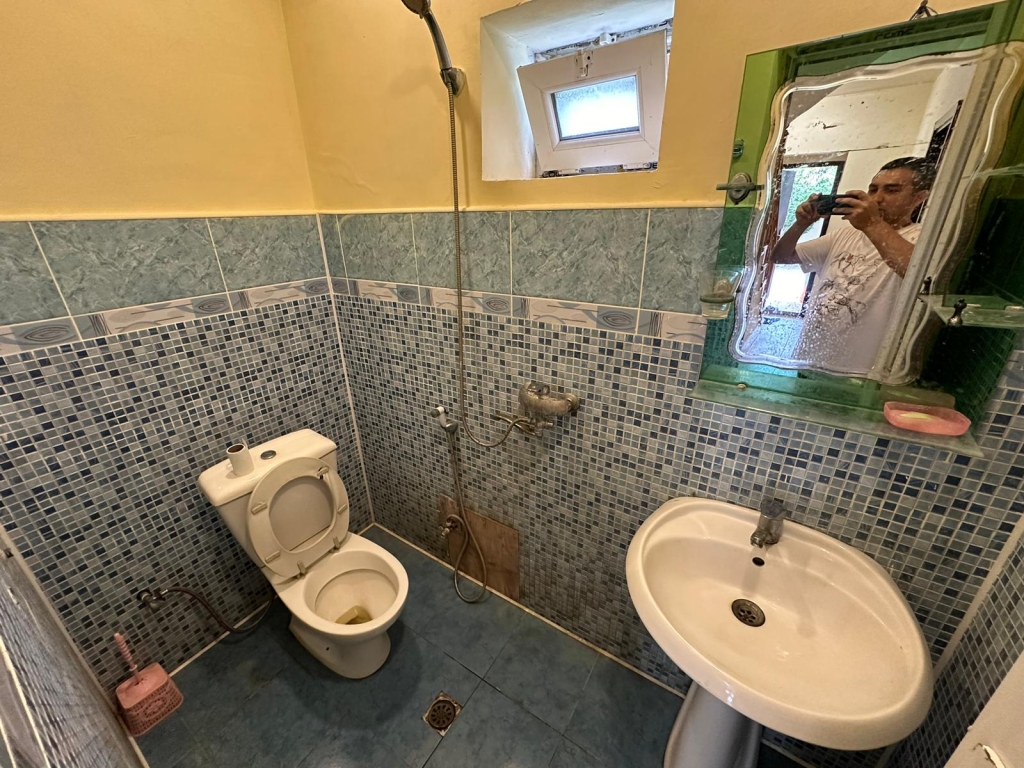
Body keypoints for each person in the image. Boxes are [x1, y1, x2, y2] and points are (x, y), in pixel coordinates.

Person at [769, 156, 935, 374]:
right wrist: (800, 225)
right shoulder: (845, 235)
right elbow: (781, 257)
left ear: (919, 197)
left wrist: (872, 223)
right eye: (873, 189)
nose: (877, 198)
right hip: (809, 357)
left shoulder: (922, 238)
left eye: (892, 190)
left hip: (862, 370)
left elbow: (920, 276)